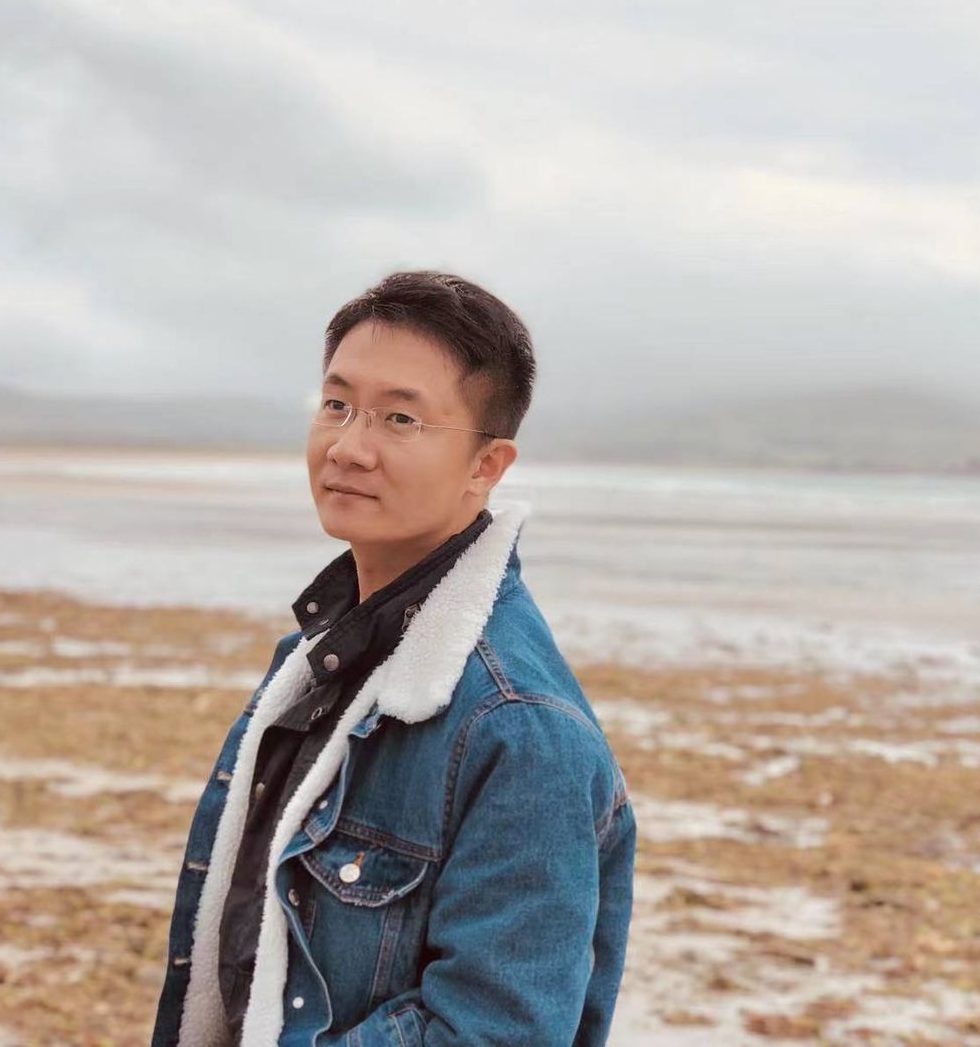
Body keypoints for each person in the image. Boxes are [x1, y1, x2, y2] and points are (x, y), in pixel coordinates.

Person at [150, 270, 637, 1047]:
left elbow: (491, 1032)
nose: (349, 447)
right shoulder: (318, 659)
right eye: (336, 404)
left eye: (400, 418)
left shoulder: (518, 728)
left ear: (487, 466)